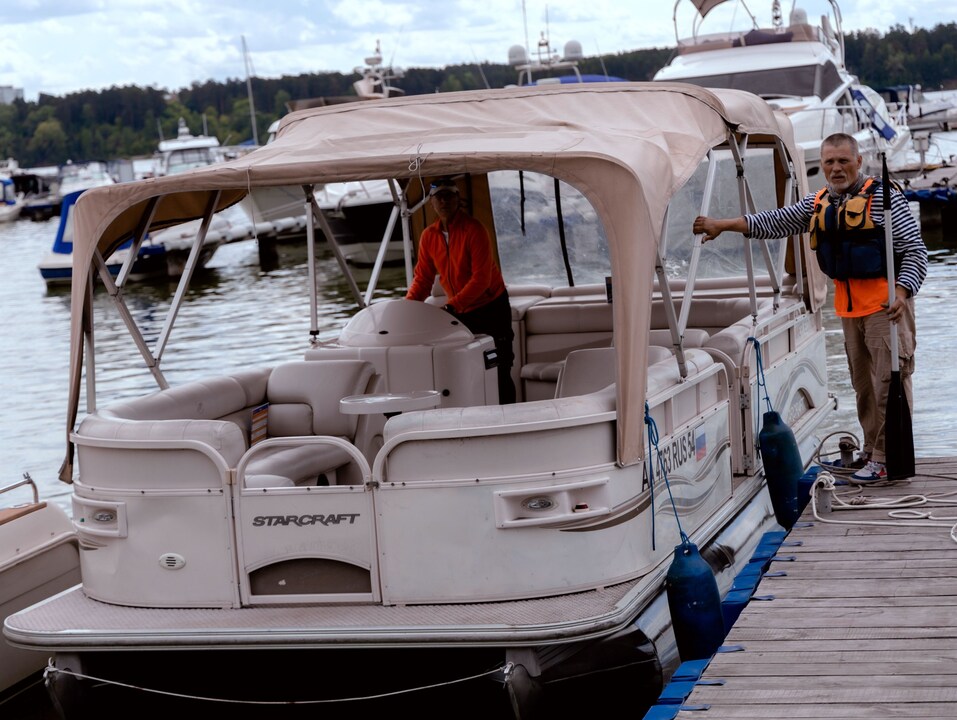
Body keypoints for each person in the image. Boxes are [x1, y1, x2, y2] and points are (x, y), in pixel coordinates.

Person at [692, 133, 928, 483]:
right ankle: (869, 451)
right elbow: (774, 221)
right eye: (829, 161)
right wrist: (723, 225)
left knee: (887, 384)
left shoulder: (883, 200)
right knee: (863, 387)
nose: (835, 168)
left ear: (858, 162)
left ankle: (885, 458)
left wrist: (903, 291)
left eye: (843, 161)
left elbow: (916, 251)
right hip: (849, 312)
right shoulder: (818, 203)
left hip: (885, 310)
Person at [406, 178, 516, 404]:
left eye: (449, 195)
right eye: (438, 196)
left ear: (458, 200)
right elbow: (422, 280)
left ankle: (509, 418)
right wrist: (405, 310)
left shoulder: (475, 230)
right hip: (460, 312)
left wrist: (451, 307)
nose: (444, 200)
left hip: (491, 307)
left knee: (500, 366)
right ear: (432, 203)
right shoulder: (428, 236)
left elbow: (482, 279)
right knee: (471, 368)